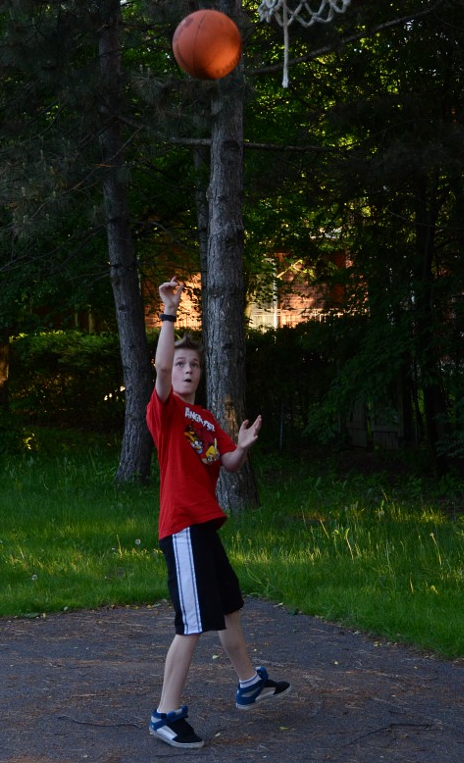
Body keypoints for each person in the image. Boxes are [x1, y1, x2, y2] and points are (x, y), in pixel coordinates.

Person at [146, 277, 290, 749]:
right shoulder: (166, 410)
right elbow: (160, 367)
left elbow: (227, 463)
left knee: (229, 608)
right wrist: (169, 312)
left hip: (206, 526)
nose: (186, 370)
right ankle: (165, 714)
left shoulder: (205, 419)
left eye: (194, 365)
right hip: (182, 525)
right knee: (192, 624)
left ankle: (249, 683)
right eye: (180, 364)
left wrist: (243, 446)